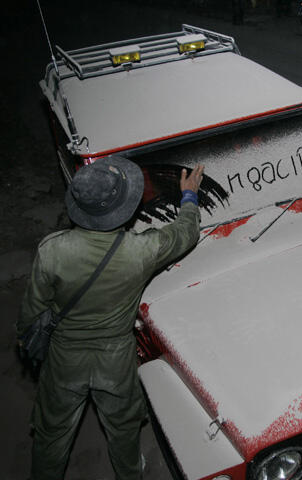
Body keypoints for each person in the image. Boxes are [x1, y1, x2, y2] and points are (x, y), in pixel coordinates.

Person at [17, 156, 204, 480]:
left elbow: (31, 315)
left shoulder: (52, 251)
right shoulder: (142, 250)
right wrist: (188, 195)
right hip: (115, 360)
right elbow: (185, 233)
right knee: (124, 430)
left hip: (64, 360)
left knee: (52, 435)